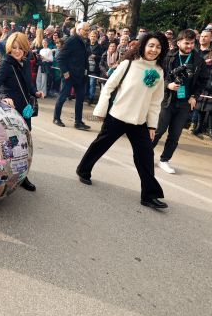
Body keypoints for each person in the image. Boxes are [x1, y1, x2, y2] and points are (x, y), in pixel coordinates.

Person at [76, 32, 168, 209]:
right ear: (143, 46)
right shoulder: (128, 64)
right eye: (151, 45)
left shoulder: (159, 71)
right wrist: (101, 110)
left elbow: (156, 102)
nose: (154, 50)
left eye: (158, 47)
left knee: (146, 156)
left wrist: (151, 125)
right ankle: (83, 169)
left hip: (139, 121)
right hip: (117, 116)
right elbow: (109, 87)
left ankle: (149, 195)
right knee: (100, 145)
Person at [0, 32, 44, 192]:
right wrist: (3, 97)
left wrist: (35, 92)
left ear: (26, 49)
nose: (17, 51)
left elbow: (28, 83)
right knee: (12, 147)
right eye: (13, 48)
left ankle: (22, 176)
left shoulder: (25, 62)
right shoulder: (5, 64)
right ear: (9, 48)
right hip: (10, 114)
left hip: (25, 111)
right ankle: (5, 175)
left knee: (24, 145)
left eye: (20, 48)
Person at [152, 29, 205, 174]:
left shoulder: (198, 60)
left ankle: (164, 160)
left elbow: (203, 81)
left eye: (192, 43)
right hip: (166, 100)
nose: (189, 46)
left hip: (184, 103)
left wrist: (194, 96)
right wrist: (167, 85)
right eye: (186, 43)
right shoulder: (168, 56)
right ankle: (145, 154)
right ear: (178, 42)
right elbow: (157, 74)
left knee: (175, 135)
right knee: (158, 130)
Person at [53, 21, 91, 130]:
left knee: (80, 99)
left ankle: (78, 122)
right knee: (62, 97)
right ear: (79, 30)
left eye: (89, 30)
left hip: (80, 76)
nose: (88, 32)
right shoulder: (72, 40)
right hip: (69, 76)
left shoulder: (84, 41)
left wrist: (85, 73)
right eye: (86, 30)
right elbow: (60, 57)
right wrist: (65, 72)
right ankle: (56, 118)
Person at [87, 29, 103, 104]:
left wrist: (95, 56)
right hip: (86, 67)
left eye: (94, 36)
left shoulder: (100, 47)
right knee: (86, 83)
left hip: (94, 68)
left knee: (92, 83)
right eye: (91, 36)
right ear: (89, 37)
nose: (93, 38)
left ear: (97, 38)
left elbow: (102, 57)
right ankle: (86, 96)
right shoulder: (86, 45)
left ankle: (91, 98)